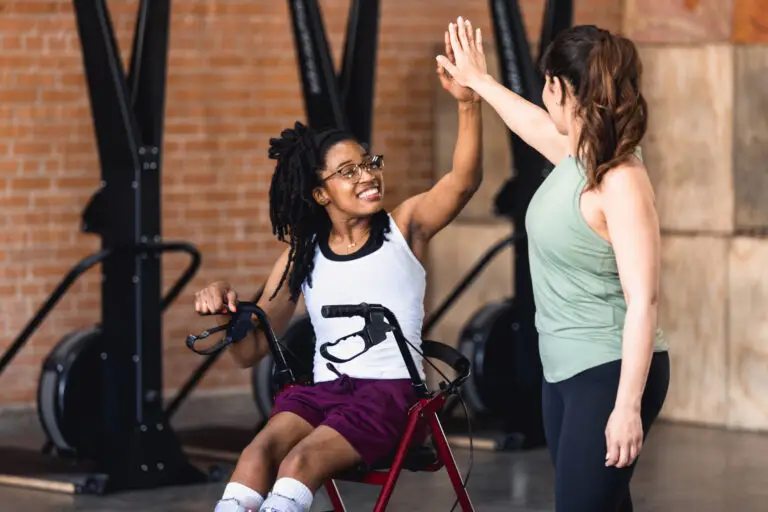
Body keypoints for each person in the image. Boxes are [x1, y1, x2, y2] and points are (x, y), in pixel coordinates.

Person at [194, 17, 485, 512]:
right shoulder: (301, 253)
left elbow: (463, 180)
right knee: (258, 451)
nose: (368, 177)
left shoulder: (405, 228)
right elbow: (249, 352)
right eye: (347, 172)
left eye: (370, 163)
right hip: (326, 393)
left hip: (392, 398)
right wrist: (225, 311)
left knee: (299, 463)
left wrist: (467, 101)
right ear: (319, 192)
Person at [436, 23, 671, 512]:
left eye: (545, 85)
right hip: (562, 370)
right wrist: (478, 82)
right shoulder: (579, 156)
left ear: (558, 88)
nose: (542, 98)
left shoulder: (620, 178)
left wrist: (627, 406)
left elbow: (643, 303)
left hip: (606, 371)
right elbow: (533, 124)